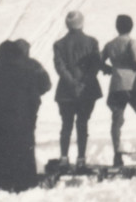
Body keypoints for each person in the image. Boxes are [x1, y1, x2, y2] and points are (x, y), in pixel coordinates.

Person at [0, 40, 50, 194]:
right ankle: (24, 182)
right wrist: (30, 117)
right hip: (22, 124)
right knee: (24, 152)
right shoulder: (28, 72)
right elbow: (36, 98)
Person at [100, 14, 136, 168]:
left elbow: (99, 60)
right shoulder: (131, 42)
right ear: (131, 27)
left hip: (116, 85)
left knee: (117, 119)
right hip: (132, 86)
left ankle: (117, 153)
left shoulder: (110, 44)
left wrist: (110, 69)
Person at [52, 11, 102, 169]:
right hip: (87, 91)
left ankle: (64, 157)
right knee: (82, 124)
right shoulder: (92, 42)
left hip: (66, 92)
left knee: (66, 125)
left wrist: (72, 83)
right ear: (82, 22)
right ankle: (81, 158)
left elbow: (60, 68)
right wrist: (83, 83)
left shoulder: (59, 44)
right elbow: (95, 66)